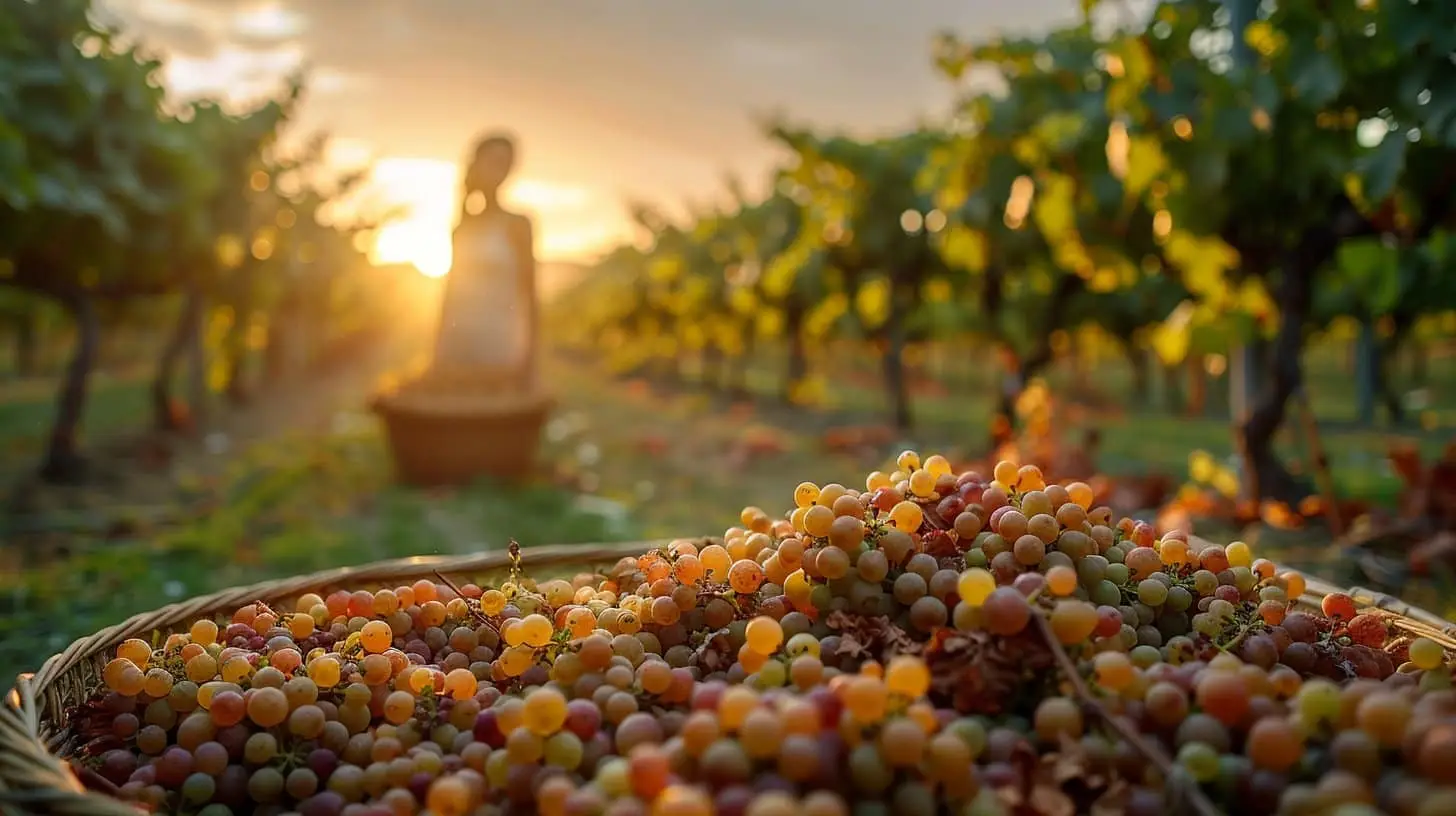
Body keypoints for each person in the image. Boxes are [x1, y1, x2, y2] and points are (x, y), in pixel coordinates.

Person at [433, 131, 538, 391]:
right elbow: (450, 292)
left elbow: (529, 291)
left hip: (500, 343)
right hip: (457, 341)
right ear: (476, 164)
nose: (498, 171)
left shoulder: (518, 224)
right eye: (493, 161)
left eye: (505, 163)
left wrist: (530, 359)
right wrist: (436, 349)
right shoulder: (461, 227)